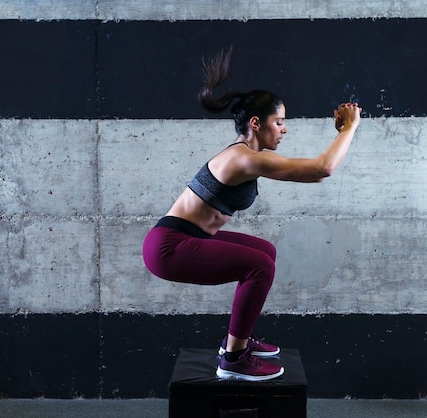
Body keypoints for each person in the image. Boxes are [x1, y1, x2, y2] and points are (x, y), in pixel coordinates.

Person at [142, 47, 361, 381]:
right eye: (279, 122)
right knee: (260, 266)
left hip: (185, 238)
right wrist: (349, 129)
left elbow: (317, 170)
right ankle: (233, 357)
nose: (284, 130)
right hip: (169, 247)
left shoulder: (246, 155)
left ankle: (238, 339)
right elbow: (323, 169)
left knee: (264, 253)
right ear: (256, 123)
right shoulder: (244, 158)